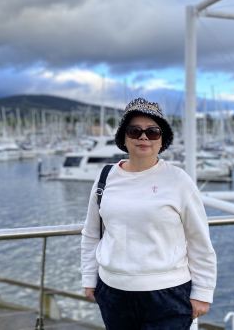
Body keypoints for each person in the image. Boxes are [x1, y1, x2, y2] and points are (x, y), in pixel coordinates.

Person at [81, 97, 217, 330]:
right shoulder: (105, 177)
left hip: (168, 294)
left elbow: (199, 240)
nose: (143, 137)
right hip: (113, 292)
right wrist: (89, 278)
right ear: (124, 137)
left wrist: (203, 291)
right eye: (135, 131)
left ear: (162, 139)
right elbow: (91, 233)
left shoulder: (178, 181)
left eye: (152, 132)